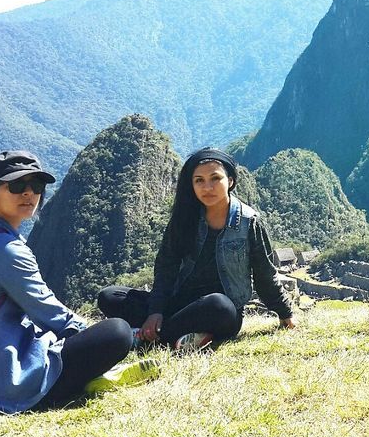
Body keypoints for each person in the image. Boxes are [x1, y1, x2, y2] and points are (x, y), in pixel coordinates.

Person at [0, 150, 154, 413]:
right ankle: (83, 381)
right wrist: (107, 336)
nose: (29, 193)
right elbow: (49, 311)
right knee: (116, 333)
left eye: (36, 185)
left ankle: (89, 376)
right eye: (17, 186)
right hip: (0, 382)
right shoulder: (4, 249)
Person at [98, 148, 295, 349]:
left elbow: (265, 274)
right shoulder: (186, 217)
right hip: (179, 302)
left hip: (221, 310)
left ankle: (146, 339)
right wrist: (155, 311)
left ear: (231, 181)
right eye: (199, 180)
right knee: (110, 296)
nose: (207, 187)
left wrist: (284, 313)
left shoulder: (248, 223)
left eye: (215, 178)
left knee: (219, 305)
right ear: (191, 185)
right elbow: (167, 266)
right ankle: (180, 335)